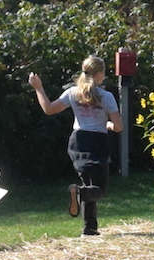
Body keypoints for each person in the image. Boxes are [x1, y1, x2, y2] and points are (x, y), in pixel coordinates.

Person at [29, 55, 120, 237]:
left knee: (88, 184)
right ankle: (79, 193)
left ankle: (89, 229)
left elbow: (49, 109)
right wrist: (108, 125)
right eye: (104, 72)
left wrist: (38, 88)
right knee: (99, 189)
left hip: (78, 141)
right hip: (98, 142)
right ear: (99, 73)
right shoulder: (107, 97)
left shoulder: (72, 93)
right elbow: (118, 126)